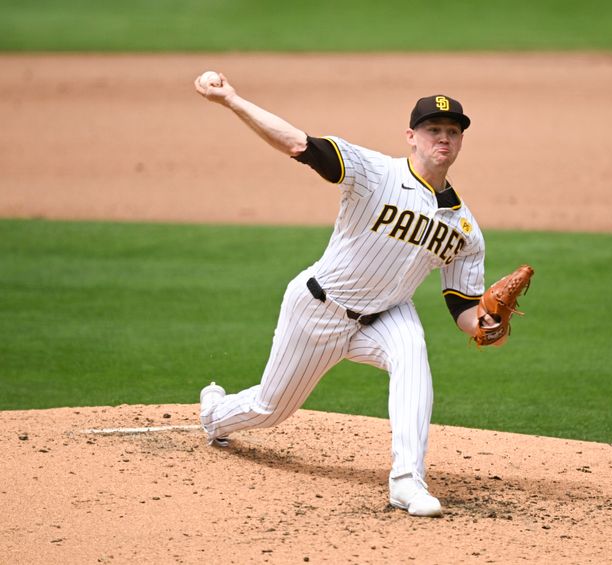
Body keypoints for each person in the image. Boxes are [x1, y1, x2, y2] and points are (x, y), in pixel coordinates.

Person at [194, 73, 499, 517]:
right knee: (270, 408)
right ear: (411, 136)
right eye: (434, 130)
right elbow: (298, 144)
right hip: (318, 308)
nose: (444, 138)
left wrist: (488, 326)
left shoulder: (465, 229)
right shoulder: (373, 172)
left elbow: (463, 309)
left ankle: (406, 482)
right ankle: (214, 414)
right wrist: (232, 100)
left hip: (388, 314)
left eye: (453, 132)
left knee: (412, 355)